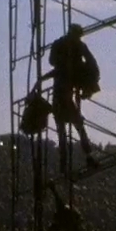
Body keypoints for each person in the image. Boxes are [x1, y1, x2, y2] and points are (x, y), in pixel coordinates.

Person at [38, 24, 99, 175]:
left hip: (64, 93)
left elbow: (91, 64)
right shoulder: (64, 47)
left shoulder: (75, 46)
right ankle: (70, 163)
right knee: (72, 127)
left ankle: (68, 164)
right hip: (61, 95)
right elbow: (56, 65)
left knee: (69, 129)